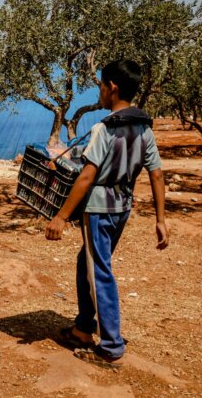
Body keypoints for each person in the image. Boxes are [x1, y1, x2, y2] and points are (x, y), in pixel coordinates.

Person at [44, 59, 169, 368]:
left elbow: (87, 176)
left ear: (112, 88)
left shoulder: (104, 129)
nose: (98, 91)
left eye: (100, 85)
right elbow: (156, 175)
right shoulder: (143, 129)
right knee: (87, 262)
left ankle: (110, 345)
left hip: (99, 209)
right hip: (122, 208)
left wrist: (60, 216)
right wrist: (161, 220)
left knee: (99, 271)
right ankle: (84, 328)